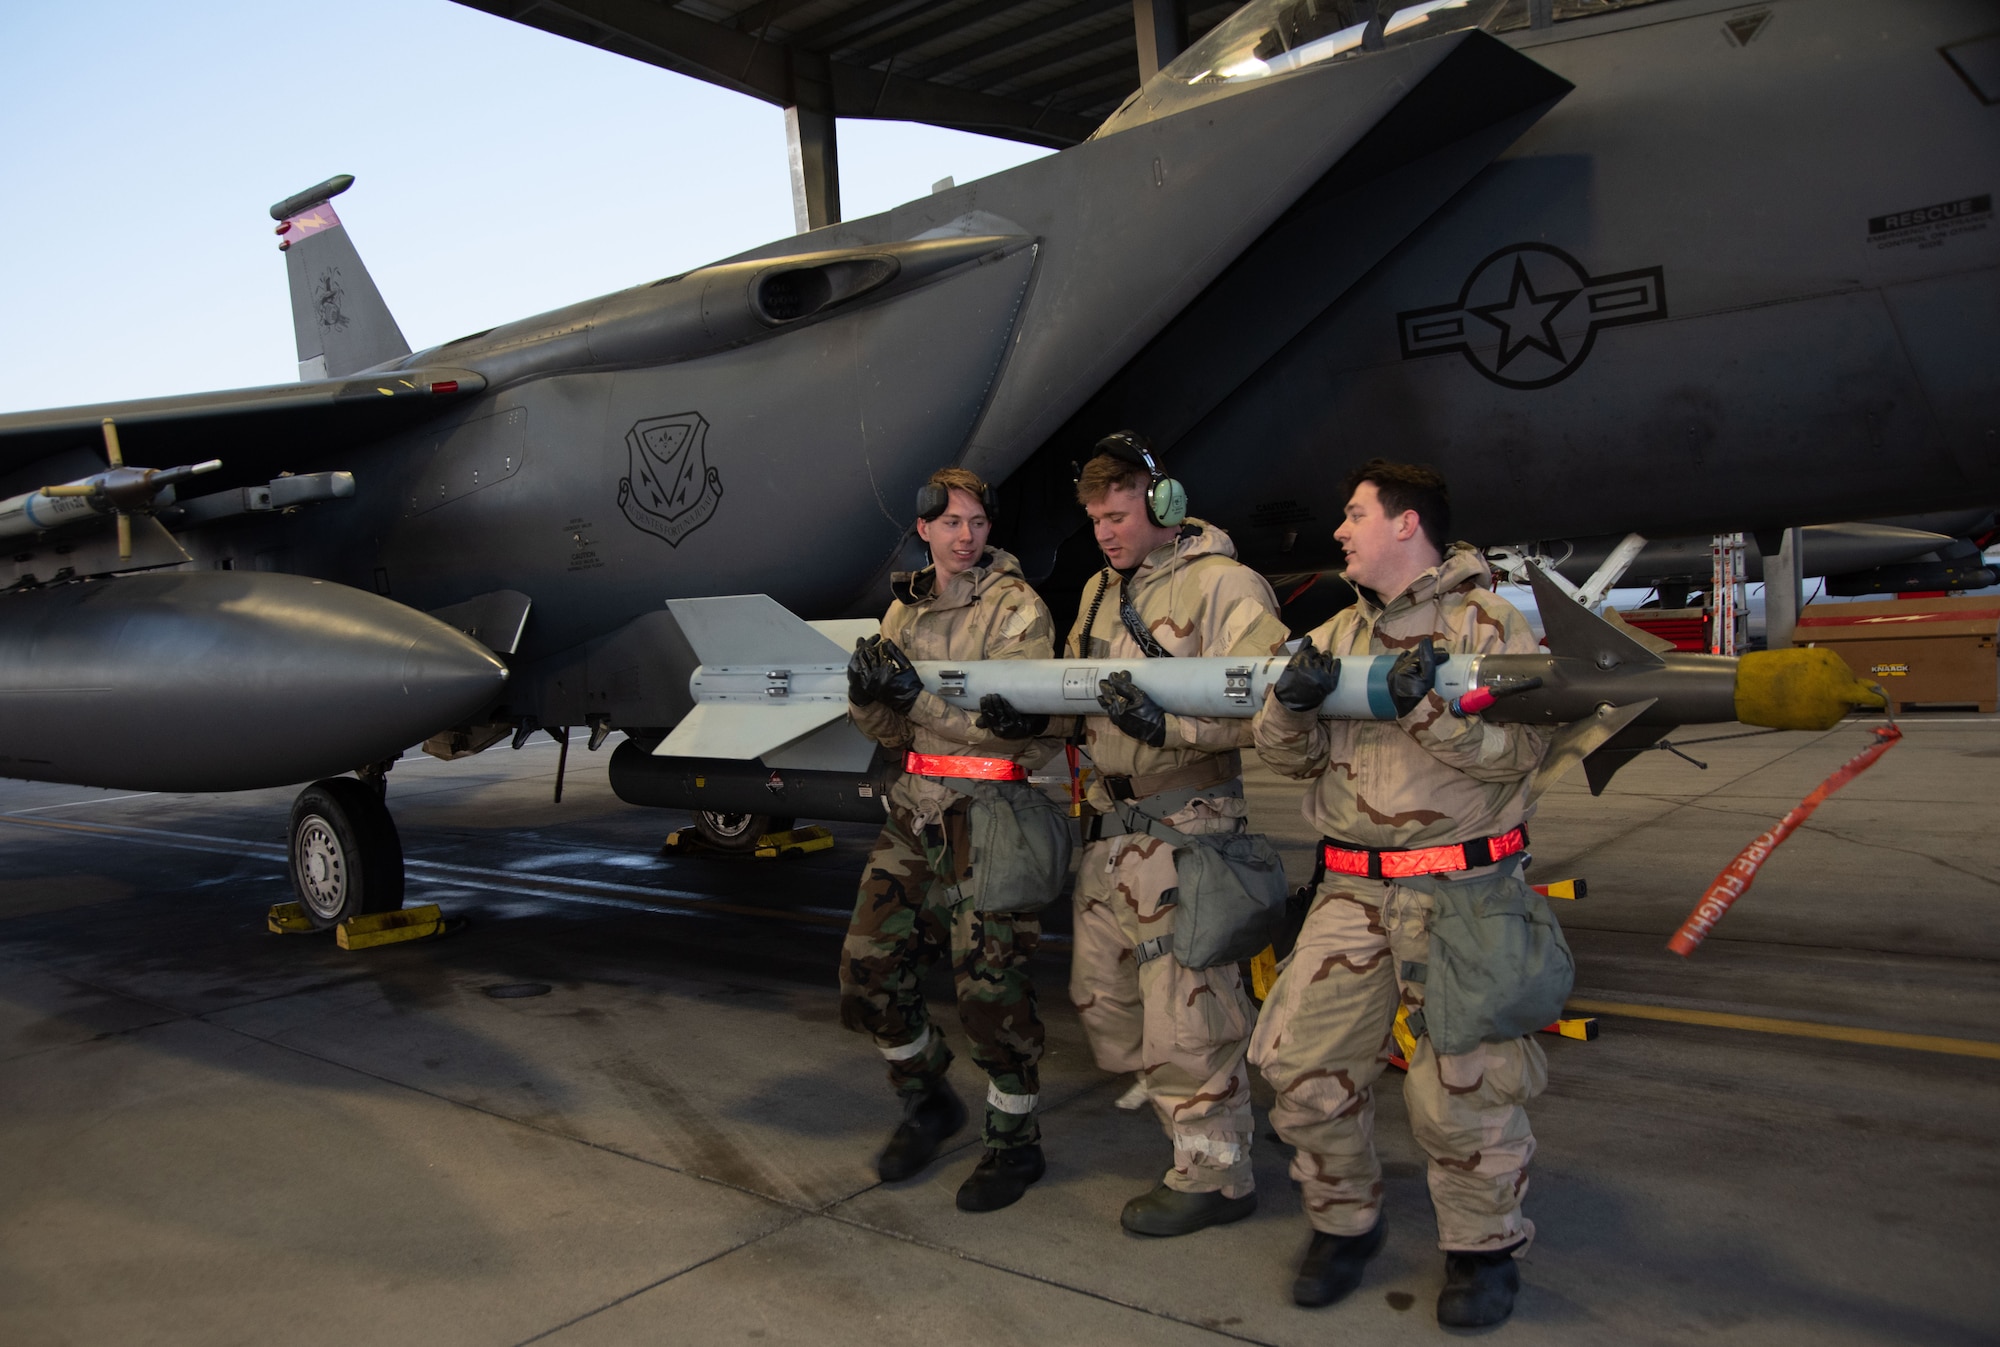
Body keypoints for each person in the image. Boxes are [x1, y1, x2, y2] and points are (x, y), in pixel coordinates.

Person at [1249, 459, 1554, 1328]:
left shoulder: (1489, 624)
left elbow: (1521, 754)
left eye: (1354, 514)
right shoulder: (1336, 633)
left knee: (1464, 1088)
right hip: (1352, 888)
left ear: (1406, 523)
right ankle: (1343, 1221)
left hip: (1461, 888)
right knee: (1300, 1066)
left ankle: (1482, 1248)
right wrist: (1290, 709)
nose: (1339, 530)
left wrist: (1423, 708)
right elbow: (1292, 759)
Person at [1048, 431, 1290, 1236]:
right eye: (1095, 520)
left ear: (1163, 503)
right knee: (1103, 1001)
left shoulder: (1224, 586)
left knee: (1188, 1017)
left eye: (1118, 516)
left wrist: (1171, 727)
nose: (1105, 533)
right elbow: (1078, 691)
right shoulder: (1097, 591)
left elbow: (1273, 708)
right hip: (1111, 830)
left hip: (1188, 828)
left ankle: (1216, 1175)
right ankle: (1200, 1107)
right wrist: (1034, 716)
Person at [840, 466, 1062, 1213]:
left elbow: (1016, 732)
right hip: (915, 813)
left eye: (978, 522)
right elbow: (893, 734)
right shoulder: (904, 611)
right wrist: (867, 699)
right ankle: (927, 1097)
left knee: (990, 994)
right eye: (951, 523)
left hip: (990, 816)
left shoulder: (1017, 609)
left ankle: (1015, 1142)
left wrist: (917, 698)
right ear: (924, 529)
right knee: (868, 972)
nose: (966, 536)